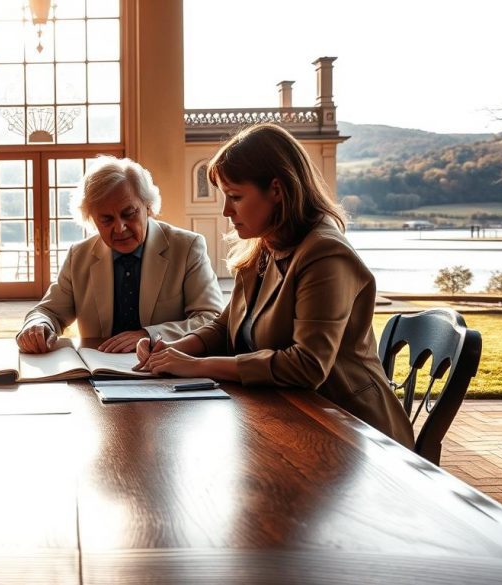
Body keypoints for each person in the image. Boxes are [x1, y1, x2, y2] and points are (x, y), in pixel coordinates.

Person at [135, 123, 414, 447]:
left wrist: (196, 366)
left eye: (236, 197)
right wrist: (172, 351)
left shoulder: (325, 253)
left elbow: (307, 365)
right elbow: (227, 325)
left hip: (353, 432)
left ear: (277, 190)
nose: (226, 210)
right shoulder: (265, 245)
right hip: (292, 419)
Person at [16, 156, 224, 354]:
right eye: (106, 219)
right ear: (91, 220)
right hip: (98, 371)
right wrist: (37, 325)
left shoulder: (187, 247)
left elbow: (211, 318)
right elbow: (49, 312)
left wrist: (149, 335)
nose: (120, 228)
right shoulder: (79, 255)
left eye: (129, 213)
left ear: (148, 207)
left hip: (167, 368)